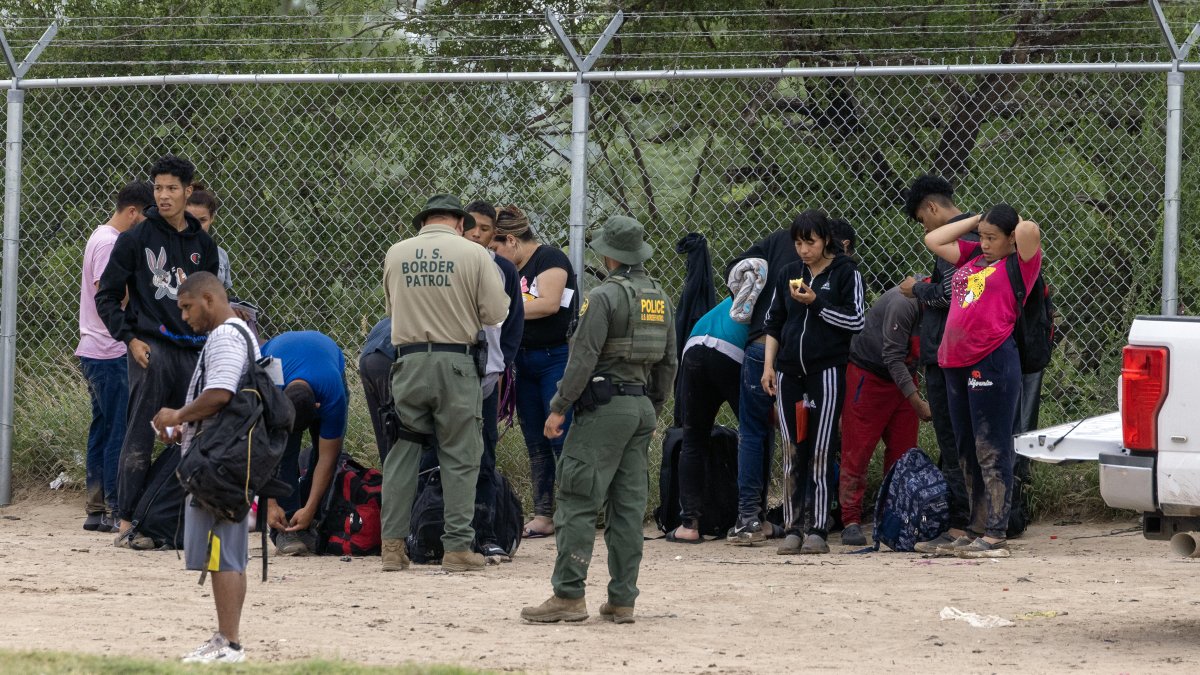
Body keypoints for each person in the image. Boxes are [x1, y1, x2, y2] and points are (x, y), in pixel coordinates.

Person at [520, 215, 677, 625]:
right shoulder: (660, 297)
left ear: (608, 255)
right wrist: (650, 408)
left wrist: (559, 407)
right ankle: (622, 599)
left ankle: (568, 595)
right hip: (640, 407)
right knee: (627, 507)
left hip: (604, 409)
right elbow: (668, 363)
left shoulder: (604, 297)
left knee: (576, 497)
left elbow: (583, 358)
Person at [380, 194, 509, 573]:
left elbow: (391, 310)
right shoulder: (474, 255)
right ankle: (456, 549)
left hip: (408, 362)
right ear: (459, 222)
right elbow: (496, 312)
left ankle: (392, 548)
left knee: (403, 452)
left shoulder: (396, 253)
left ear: (424, 222)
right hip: (456, 363)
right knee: (460, 454)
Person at [96, 155, 219, 546]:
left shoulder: (204, 245)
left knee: (197, 433)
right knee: (140, 434)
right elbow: (108, 297)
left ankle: (169, 516)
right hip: (152, 349)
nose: (163, 196)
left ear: (188, 191)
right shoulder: (135, 239)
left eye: (171, 188)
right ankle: (126, 518)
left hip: (195, 350)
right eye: (158, 188)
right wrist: (130, 338)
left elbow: (211, 301)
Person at [924, 205, 1042, 559]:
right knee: (965, 448)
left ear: (1010, 239)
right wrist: (978, 222)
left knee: (991, 445)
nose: (985, 243)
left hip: (990, 359)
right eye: (983, 237)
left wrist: (1009, 219)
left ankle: (995, 531)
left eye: (993, 238)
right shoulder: (974, 255)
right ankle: (975, 526)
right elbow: (933, 238)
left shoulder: (1020, 264)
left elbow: (1030, 230)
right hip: (954, 361)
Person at [151, 271, 256, 663]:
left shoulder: (226, 336)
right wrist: (183, 427)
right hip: (228, 458)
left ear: (209, 299)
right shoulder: (240, 332)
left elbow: (220, 393)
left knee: (222, 554)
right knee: (226, 552)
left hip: (219, 463)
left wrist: (178, 413)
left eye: (187, 306)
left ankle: (228, 643)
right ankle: (226, 639)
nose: (184, 316)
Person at [759, 210, 865, 554]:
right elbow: (774, 323)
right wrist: (769, 366)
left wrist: (817, 303)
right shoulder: (789, 274)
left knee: (820, 449)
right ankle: (793, 527)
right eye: (799, 243)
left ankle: (818, 528)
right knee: (792, 449)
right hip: (789, 372)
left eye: (811, 242)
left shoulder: (846, 272)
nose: (804, 250)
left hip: (827, 371)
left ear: (826, 241)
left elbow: (856, 320)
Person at [489, 205, 578, 539]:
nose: (494, 254)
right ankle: (543, 514)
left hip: (554, 358)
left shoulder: (550, 258)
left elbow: (549, 303)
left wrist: (502, 312)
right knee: (535, 440)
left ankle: (571, 512)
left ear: (511, 240)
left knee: (560, 436)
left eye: (496, 247)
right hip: (522, 361)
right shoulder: (508, 269)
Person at [900, 175, 976, 553]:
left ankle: (962, 525)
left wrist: (918, 289)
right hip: (965, 352)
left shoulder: (953, 237)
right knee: (968, 437)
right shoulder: (981, 233)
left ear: (932, 208)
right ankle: (981, 519)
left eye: (921, 219)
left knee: (952, 437)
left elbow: (951, 294)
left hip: (948, 354)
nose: (924, 227)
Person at [76, 181, 154, 533]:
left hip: (95, 348)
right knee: (118, 430)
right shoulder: (111, 242)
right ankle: (111, 504)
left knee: (103, 426)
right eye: (145, 217)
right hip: (107, 350)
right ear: (133, 212)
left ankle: (96, 506)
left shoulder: (98, 235)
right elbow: (108, 291)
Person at [667, 265, 759, 543]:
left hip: (694, 345)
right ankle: (753, 518)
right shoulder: (768, 300)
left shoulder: (731, 300)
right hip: (730, 352)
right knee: (754, 433)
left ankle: (689, 525)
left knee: (694, 437)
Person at [724, 222, 801, 544]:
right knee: (802, 433)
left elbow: (735, 270)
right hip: (799, 350)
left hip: (759, 343)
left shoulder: (777, 239)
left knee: (754, 431)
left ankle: (748, 520)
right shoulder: (835, 256)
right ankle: (803, 518)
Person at [837, 284, 931, 546]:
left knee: (903, 453)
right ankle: (851, 519)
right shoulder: (906, 303)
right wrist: (918, 403)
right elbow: (892, 356)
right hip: (870, 374)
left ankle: (894, 517)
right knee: (858, 449)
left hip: (904, 377)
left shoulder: (951, 301)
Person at [464, 200, 524, 561]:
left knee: (485, 451)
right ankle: (431, 526)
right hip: (448, 372)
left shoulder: (502, 269)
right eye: (470, 226)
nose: (476, 233)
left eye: (485, 229)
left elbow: (513, 322)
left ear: (494, 234)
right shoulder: (448, 263)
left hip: (486, 375)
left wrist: (500, 366)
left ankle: (485, 534)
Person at [260, 331, 349, 556]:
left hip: (327, 363)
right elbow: (261, 451)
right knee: (284, 453)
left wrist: (310, 508)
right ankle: (286, 528)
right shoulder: (266, 384)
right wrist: (270, 505)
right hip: (279, 356)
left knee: (324, 453)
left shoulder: (331, 393)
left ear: (318, 407)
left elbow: (328, 459)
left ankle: (310, 520)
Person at [359, 318, 397, 465]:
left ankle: (389, 483)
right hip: (390, 355)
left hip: (368, 358)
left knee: (386, 431)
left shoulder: (393, 313)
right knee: (406, 436)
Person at [186, 183, 233, 290]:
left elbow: (222, 294)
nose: (196, 226)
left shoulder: (221, 254)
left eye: (202, 220)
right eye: (190, 219)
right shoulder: (170, 249)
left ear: (212, 218)